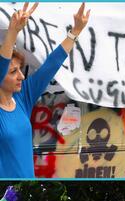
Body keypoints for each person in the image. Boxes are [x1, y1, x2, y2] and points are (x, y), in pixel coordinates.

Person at [0, 3, 90, 177]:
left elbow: (50, 65)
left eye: (20, 69)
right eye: (13, 72)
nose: (22, 76)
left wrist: (75, 32)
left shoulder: (21, 97)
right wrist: (13, 32)